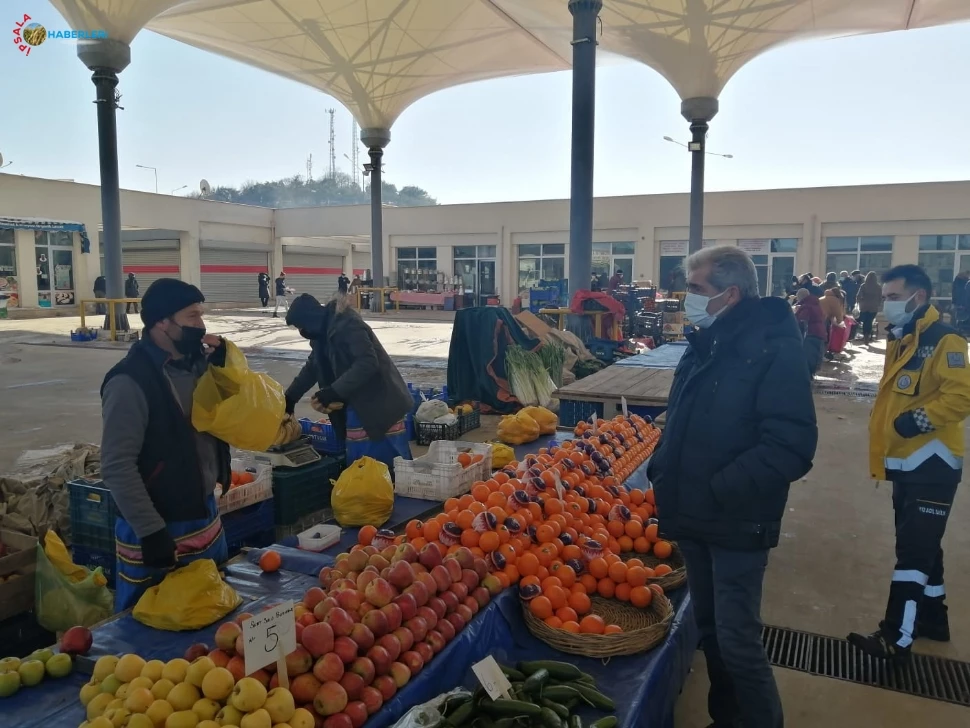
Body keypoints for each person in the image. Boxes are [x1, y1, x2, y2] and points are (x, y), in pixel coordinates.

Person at [647, 246, 817, 728]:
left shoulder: (772, 348)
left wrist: (721, 489)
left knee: (739, 642)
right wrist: (664, 468)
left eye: (697, 289)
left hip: (736, 520)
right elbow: (682, 419)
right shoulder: (709, 341)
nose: (687, 299)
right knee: (711, 634)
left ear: (731, 293)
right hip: (696, 515)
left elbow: (792, 443)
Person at [848, 265, 970, 661]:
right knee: (924, 545)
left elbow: (962, 396)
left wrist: (913, 422)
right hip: (906, 462)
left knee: (913, 556)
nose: (886, 305)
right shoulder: (905, 338)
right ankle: (934, 619)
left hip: (931, 464)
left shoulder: (944, 340)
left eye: (893, 297)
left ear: (919, 297)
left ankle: (895, 637)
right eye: (884, 297)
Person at [99, 279, 230, 612]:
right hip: (158, 526)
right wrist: (151, 530)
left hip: (203, 515)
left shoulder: (196, 363)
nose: (201, 326)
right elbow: (117, 465)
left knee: (210, 621)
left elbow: (218, 419)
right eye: (192, 316)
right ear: (161, 322)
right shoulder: (129, 381)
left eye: (201, 316)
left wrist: (224, 370)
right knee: (147, 635)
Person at [284, 293, 413, 470]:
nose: (302, 332)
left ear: (311, 319)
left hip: (379, 401)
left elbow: (367, 363)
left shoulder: (347, 324)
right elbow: (313, 367)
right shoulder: (321, 333)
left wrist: (334, 391)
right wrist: (290, 398)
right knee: (362, 467)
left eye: (301, 326)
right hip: (356, 402)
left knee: (387, 465)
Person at [794, 288, 826, 375]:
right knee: (815, 356)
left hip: (810, 333)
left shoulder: (805, 306)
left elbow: (801, 320)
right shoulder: (816, 304)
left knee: (808, 356)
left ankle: (808, 375)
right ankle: (812, 373)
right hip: (820, 332)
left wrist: (796, 313)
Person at [856, 271, 882, 344]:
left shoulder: (864, 285)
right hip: (874, 306)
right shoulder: (878, 286)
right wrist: (878, 304)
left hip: (864, 306)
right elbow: (880, 297)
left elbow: (858, 296)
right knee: (869, 321)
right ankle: (868, 336)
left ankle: (865, 336)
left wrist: (858, 302)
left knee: (865, 321)